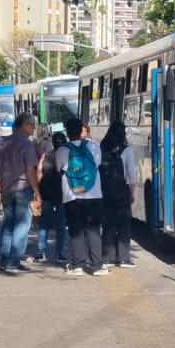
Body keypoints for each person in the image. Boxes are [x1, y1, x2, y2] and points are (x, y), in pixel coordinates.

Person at [56, 117, 108, 276]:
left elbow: (60, 168)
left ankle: (77, 264)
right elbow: (97, 164)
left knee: (75, 229)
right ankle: (97, 265)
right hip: (94, 194)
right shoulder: (94, 146)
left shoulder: (62, 150)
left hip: (72, 196)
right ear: (81, 130)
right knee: (93, 229)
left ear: (67, 132)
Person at [0, 114, 43, 273]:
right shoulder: (27, 145)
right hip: (22, 188)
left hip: (6, 189)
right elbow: (30, 171)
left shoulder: (1, 143)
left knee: (8, 224)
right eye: (31, 125)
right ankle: (14, 261)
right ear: (22, 125)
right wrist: (37, 192)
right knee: (22, 225)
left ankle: (4, 259)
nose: (33, 128)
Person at [99, 120, 138, 268]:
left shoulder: (102, 148)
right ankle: (123, 258)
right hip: (121, 191)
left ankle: (107, 257)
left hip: (105, 192)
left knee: (108, 224)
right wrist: (132, 193)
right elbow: (132, 175)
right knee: (123, 225)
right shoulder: (126, 150)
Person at [33, 131, 69, 264]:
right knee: (61, 224)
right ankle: (59, 254)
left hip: (46, 191)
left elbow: (39, 173)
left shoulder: (45, 155)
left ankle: (40, 253)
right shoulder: (67, 155)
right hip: (62, 193)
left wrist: (38, 193)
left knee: (44, 223)